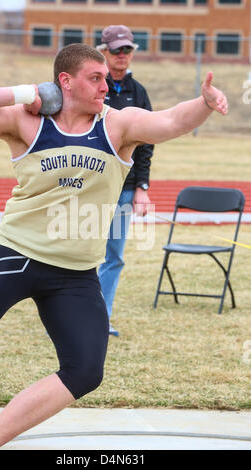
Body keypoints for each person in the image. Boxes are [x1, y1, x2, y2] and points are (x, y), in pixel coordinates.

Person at [0, 43, 227, 450]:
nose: (105, 86)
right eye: (95, 79)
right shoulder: (28, 124)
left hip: (74, 275)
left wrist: (203, 103)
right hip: (14, 257)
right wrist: (26, 93)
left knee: (85, 371)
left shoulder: (118, 125)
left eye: (105, 79)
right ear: (66, 81)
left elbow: (169, 122)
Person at [97, 25, 154, 336]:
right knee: (80, 251)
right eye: (116, 50)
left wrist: (142, 188)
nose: (122, 55)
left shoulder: (139, 92)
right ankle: (72, 316)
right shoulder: (92, 86)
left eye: (127, 49)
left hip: (125, 188)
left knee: (113, 255)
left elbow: (147, 143)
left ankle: (101, 318)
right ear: (103, 51)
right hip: (91, 187)